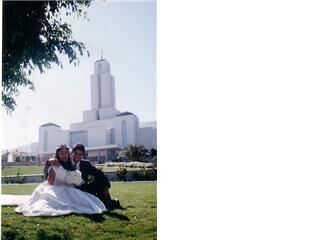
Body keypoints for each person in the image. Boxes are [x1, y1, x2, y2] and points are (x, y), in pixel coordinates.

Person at [15, 144, 107, 216]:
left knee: (85, 199)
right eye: (61, 153)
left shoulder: (75, 164)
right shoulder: (56, 163)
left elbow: (93, 173)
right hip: (59, 187)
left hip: (76, 187)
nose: (64, 155)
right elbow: (51, 180)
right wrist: (51, 166)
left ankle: (107, 199)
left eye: (66, 153)